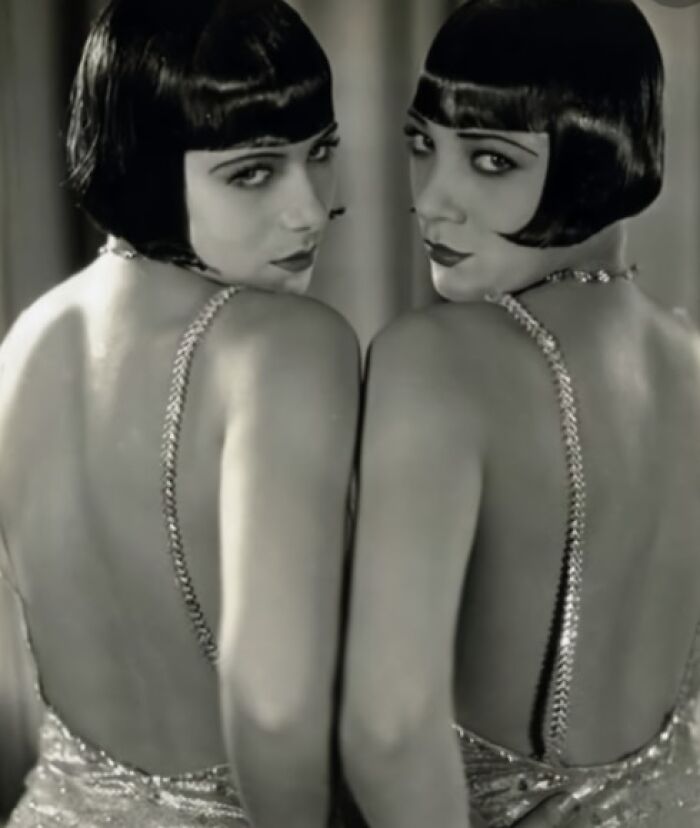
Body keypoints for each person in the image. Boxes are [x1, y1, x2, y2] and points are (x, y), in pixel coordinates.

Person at [339, 1, 700, 826]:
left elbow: (390, 731)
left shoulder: (438, 364)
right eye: (422, 146)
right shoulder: (689, 359)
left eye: (492, 162)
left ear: (602, 150)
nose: (434, 201)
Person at [0, 1, 359, 826]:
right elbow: (271, 710)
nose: (309, 208)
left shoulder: (26, 342)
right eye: (254, 172)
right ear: (150, 163)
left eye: (321, 153)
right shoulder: (285, 347)